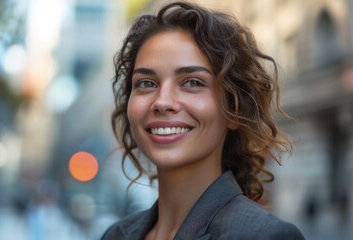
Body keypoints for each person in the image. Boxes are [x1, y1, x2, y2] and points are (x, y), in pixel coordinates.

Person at [102, 1, 305, 239]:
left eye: (192, 82)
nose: (162, 101)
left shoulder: (264, 235)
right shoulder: (115, 235)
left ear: (234, 109)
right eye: (146, 83)